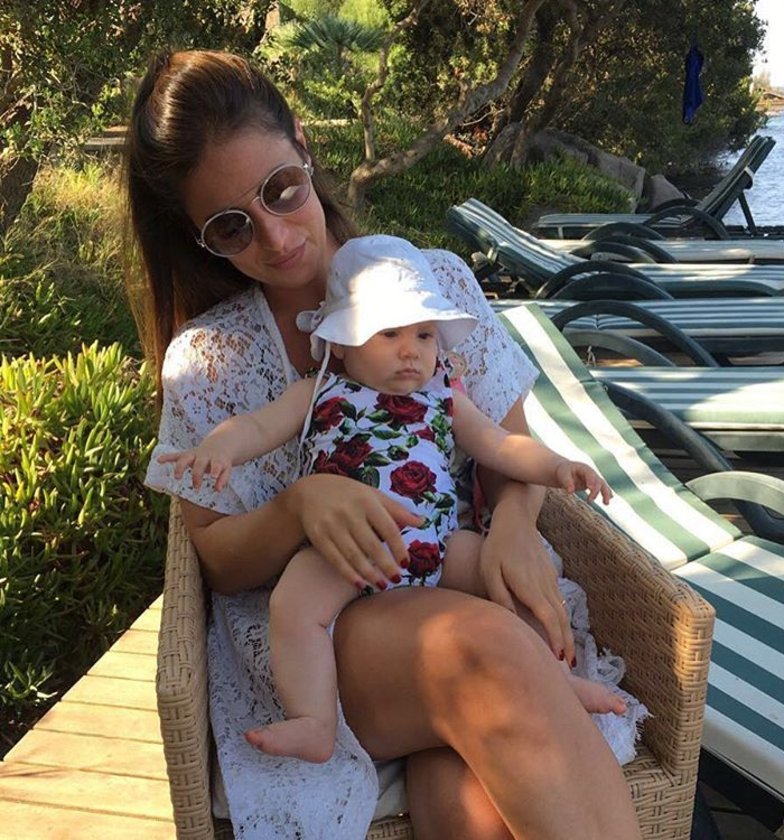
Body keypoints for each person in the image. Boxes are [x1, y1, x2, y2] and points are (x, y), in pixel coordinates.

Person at [131, 48, 643, 839]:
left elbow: (507, 444)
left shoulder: (436, 287)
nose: (276, 236)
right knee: (485, 650)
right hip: (323, 632)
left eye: (281, 189)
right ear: (200, 239)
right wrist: (301, 505)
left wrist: (513, 529)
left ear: (304, 148)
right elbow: (219, 562)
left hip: (454, 571)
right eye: (232, 226)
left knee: (477, 811)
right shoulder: (210, 360)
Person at [158, 234, 624, 763]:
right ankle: (314, 719)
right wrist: (219, 449)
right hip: (346, 552)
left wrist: (557, 466)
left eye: (425, 334)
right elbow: (258, 427)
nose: (411, 350)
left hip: (437, 544)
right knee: (293, 606)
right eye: (389, 333)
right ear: (341, 342)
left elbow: (501, 446)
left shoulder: (444, 398)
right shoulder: (319, 392)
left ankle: (557, 679)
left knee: (512, 583)